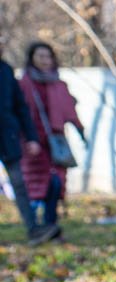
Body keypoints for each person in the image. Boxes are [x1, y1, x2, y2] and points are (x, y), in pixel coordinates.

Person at [19, 42, 85, 235]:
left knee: (56, 183)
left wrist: (80, 130)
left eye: (48, 56)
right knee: (34, 184)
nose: (45, 61)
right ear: (32, 58)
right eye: (40, 56)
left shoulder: (59, 84)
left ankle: (50, 222)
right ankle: (34, 225)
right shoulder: (24, 84)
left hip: (56, 143)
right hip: (31, 143)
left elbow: (69, 111)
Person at [1, 55, 57, 245]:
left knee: (19, 185)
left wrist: (32, 137)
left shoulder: (6, 70)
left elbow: (20, 107)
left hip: (7, 137)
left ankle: (33, 229)